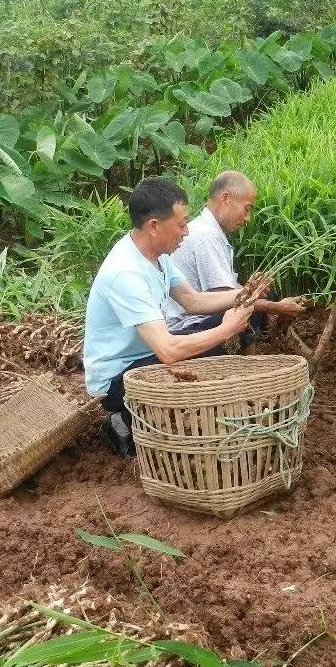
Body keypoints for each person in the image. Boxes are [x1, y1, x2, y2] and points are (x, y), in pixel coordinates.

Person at [83, 176, 267, 458]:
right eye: (181, 225)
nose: (185, 232)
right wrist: (226, 329)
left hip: (143, 354)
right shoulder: (126, 273)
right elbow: (168, 351)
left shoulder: (158, 254)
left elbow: (193, 300)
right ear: (154, 226)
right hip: (116, 380)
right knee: (214, 341)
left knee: (219, 329)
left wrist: (246, 294)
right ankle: (123, 422)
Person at [165, 170, 306, 337]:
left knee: (265, 295)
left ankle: (261, 345)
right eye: (246, 209)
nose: (247, 219)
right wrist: (278, 308)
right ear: (225, 198)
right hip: (188, 325)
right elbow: (230, 301)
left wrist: (255, 290)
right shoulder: (208, 237)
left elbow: (230, 292)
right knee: (245, 313)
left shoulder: (206, 230)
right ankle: (248, 362)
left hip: (196, 312)